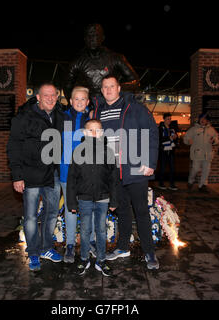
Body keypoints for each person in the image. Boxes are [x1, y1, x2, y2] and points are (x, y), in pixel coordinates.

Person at [92, 74, 160, 270]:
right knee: (122, 212)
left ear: (119, 88)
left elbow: (152, 133)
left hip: (136, 169)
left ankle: (149, 252)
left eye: (112, 86)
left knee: (141, 212)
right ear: (102, 89)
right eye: (105, 87)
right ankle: (123, 247)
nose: (108, 90)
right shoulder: (98, 111)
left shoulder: (135, 108)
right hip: (113, 173)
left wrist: (150, 162)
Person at [7, 82, 65, 271]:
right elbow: (14, 146)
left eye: (53, 95)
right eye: (46, 95)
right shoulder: (24, 117)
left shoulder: (60, 116)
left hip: (52, 175)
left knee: (51, 214)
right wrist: (17, 175)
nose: (50, 98)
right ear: (38, 97)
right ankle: (33, 252)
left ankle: (46, 248)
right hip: (30, 175)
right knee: (31, 217)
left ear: (57, 97)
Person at [66, 119, 119, 276]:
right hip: (84, 199)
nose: (94, 134)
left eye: (98, 130)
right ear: (84, 132)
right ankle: (84, 259)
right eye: (91, 130)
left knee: (101, 230)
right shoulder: (78, 152)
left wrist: (114, 199)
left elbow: (114, 179)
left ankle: (101, 260)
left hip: (103, 198)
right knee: (85, 230)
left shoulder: (108, 152)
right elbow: (71, 179)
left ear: (102, 133)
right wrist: (71, 201)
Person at [59, 86, 97, 263]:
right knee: (70, 209)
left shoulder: (92, 119)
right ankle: (70, 244)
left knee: (88, 208)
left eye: (83, 99)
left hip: (87, 172)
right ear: (71, 101)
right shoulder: (63, 117)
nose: (80, 102)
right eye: (76, 99)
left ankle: (90, 241)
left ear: (87, 102)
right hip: (67, 171)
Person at [65, 24, 139, 103]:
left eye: (95, 35)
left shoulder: (116, 58)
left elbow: (135, 81)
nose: (92, 39)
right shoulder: (76, 61)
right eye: (89, 36)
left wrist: (113, 89)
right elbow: (67, 87)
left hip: (110, 104)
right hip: (88, 107)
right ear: (85, 39)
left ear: (102, 38)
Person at [183, 113, 219, 192]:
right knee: (195, 169)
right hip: (197, 153)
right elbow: (186, 138)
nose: (203, 120)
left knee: (206, 170)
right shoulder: (193, 129)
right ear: (199, 120)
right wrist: (188, 141)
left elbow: (216, 139)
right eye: (201, 118)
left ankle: (202, 185)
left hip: (208, 153)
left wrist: (214, 141)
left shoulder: (211, 130)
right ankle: (190, 181)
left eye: (205, 119)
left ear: (207, 120)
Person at [157, 112, 179, 190]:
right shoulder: (160, 128)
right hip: (163, 150)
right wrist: (169, 138)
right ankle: (161, 183)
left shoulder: (172, 128)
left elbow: (175, 139)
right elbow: (159, 139)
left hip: (171, 150)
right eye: (167, 119)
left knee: (172, 168)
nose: (169, 120)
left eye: (170, 119)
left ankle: (172, 184)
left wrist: (176, 138)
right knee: (162, 168)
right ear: (164, 119)